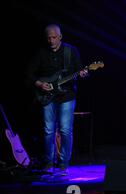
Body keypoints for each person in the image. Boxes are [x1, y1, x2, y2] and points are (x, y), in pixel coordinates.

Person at [26, 24, 88, 175]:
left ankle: (63, 163)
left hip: (66, 95)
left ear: (60, 37)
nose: (51, 40)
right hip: (47, 96)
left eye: (54, 37)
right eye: (49, 38)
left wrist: (84, 73)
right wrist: (40, 84)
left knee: (65, 130)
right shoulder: (41, 52)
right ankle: (48, 162)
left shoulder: (71, 51)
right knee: (48, 130)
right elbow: (28, 73)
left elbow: (80, 69)